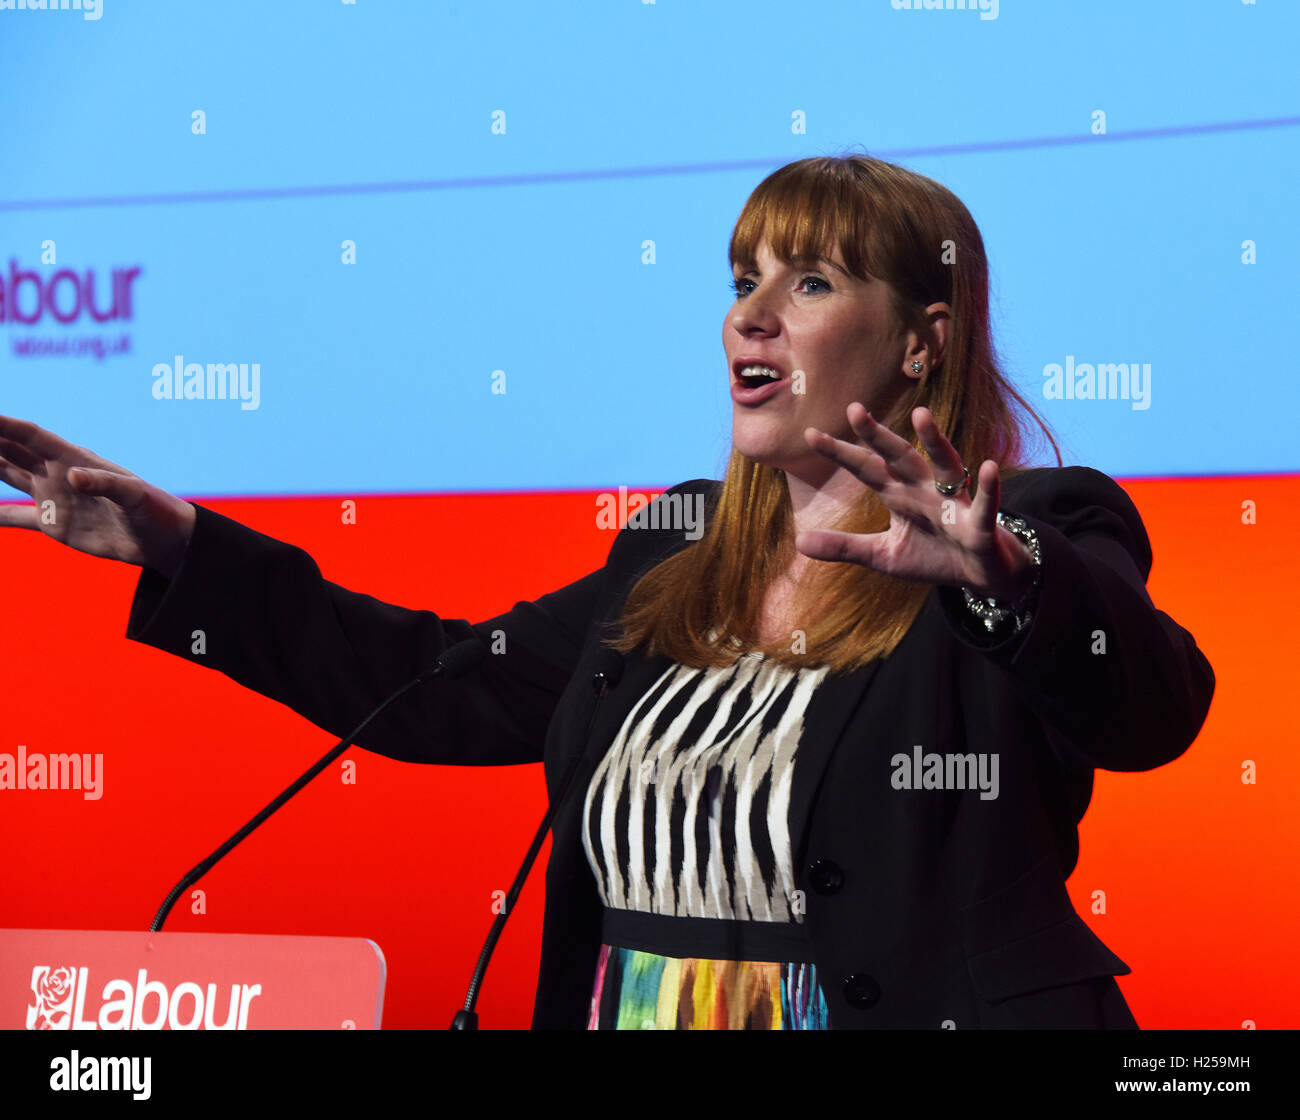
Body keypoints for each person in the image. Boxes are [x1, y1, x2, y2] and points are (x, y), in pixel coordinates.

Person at [0, 155, 1214, 1030]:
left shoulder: (1040, 530)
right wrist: (187, 555)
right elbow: (432, 691)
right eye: (743, 277)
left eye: (808, 284)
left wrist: (999, 579)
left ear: (919, 341)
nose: (748, 312)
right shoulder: (676, 547)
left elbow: (1155, 709)